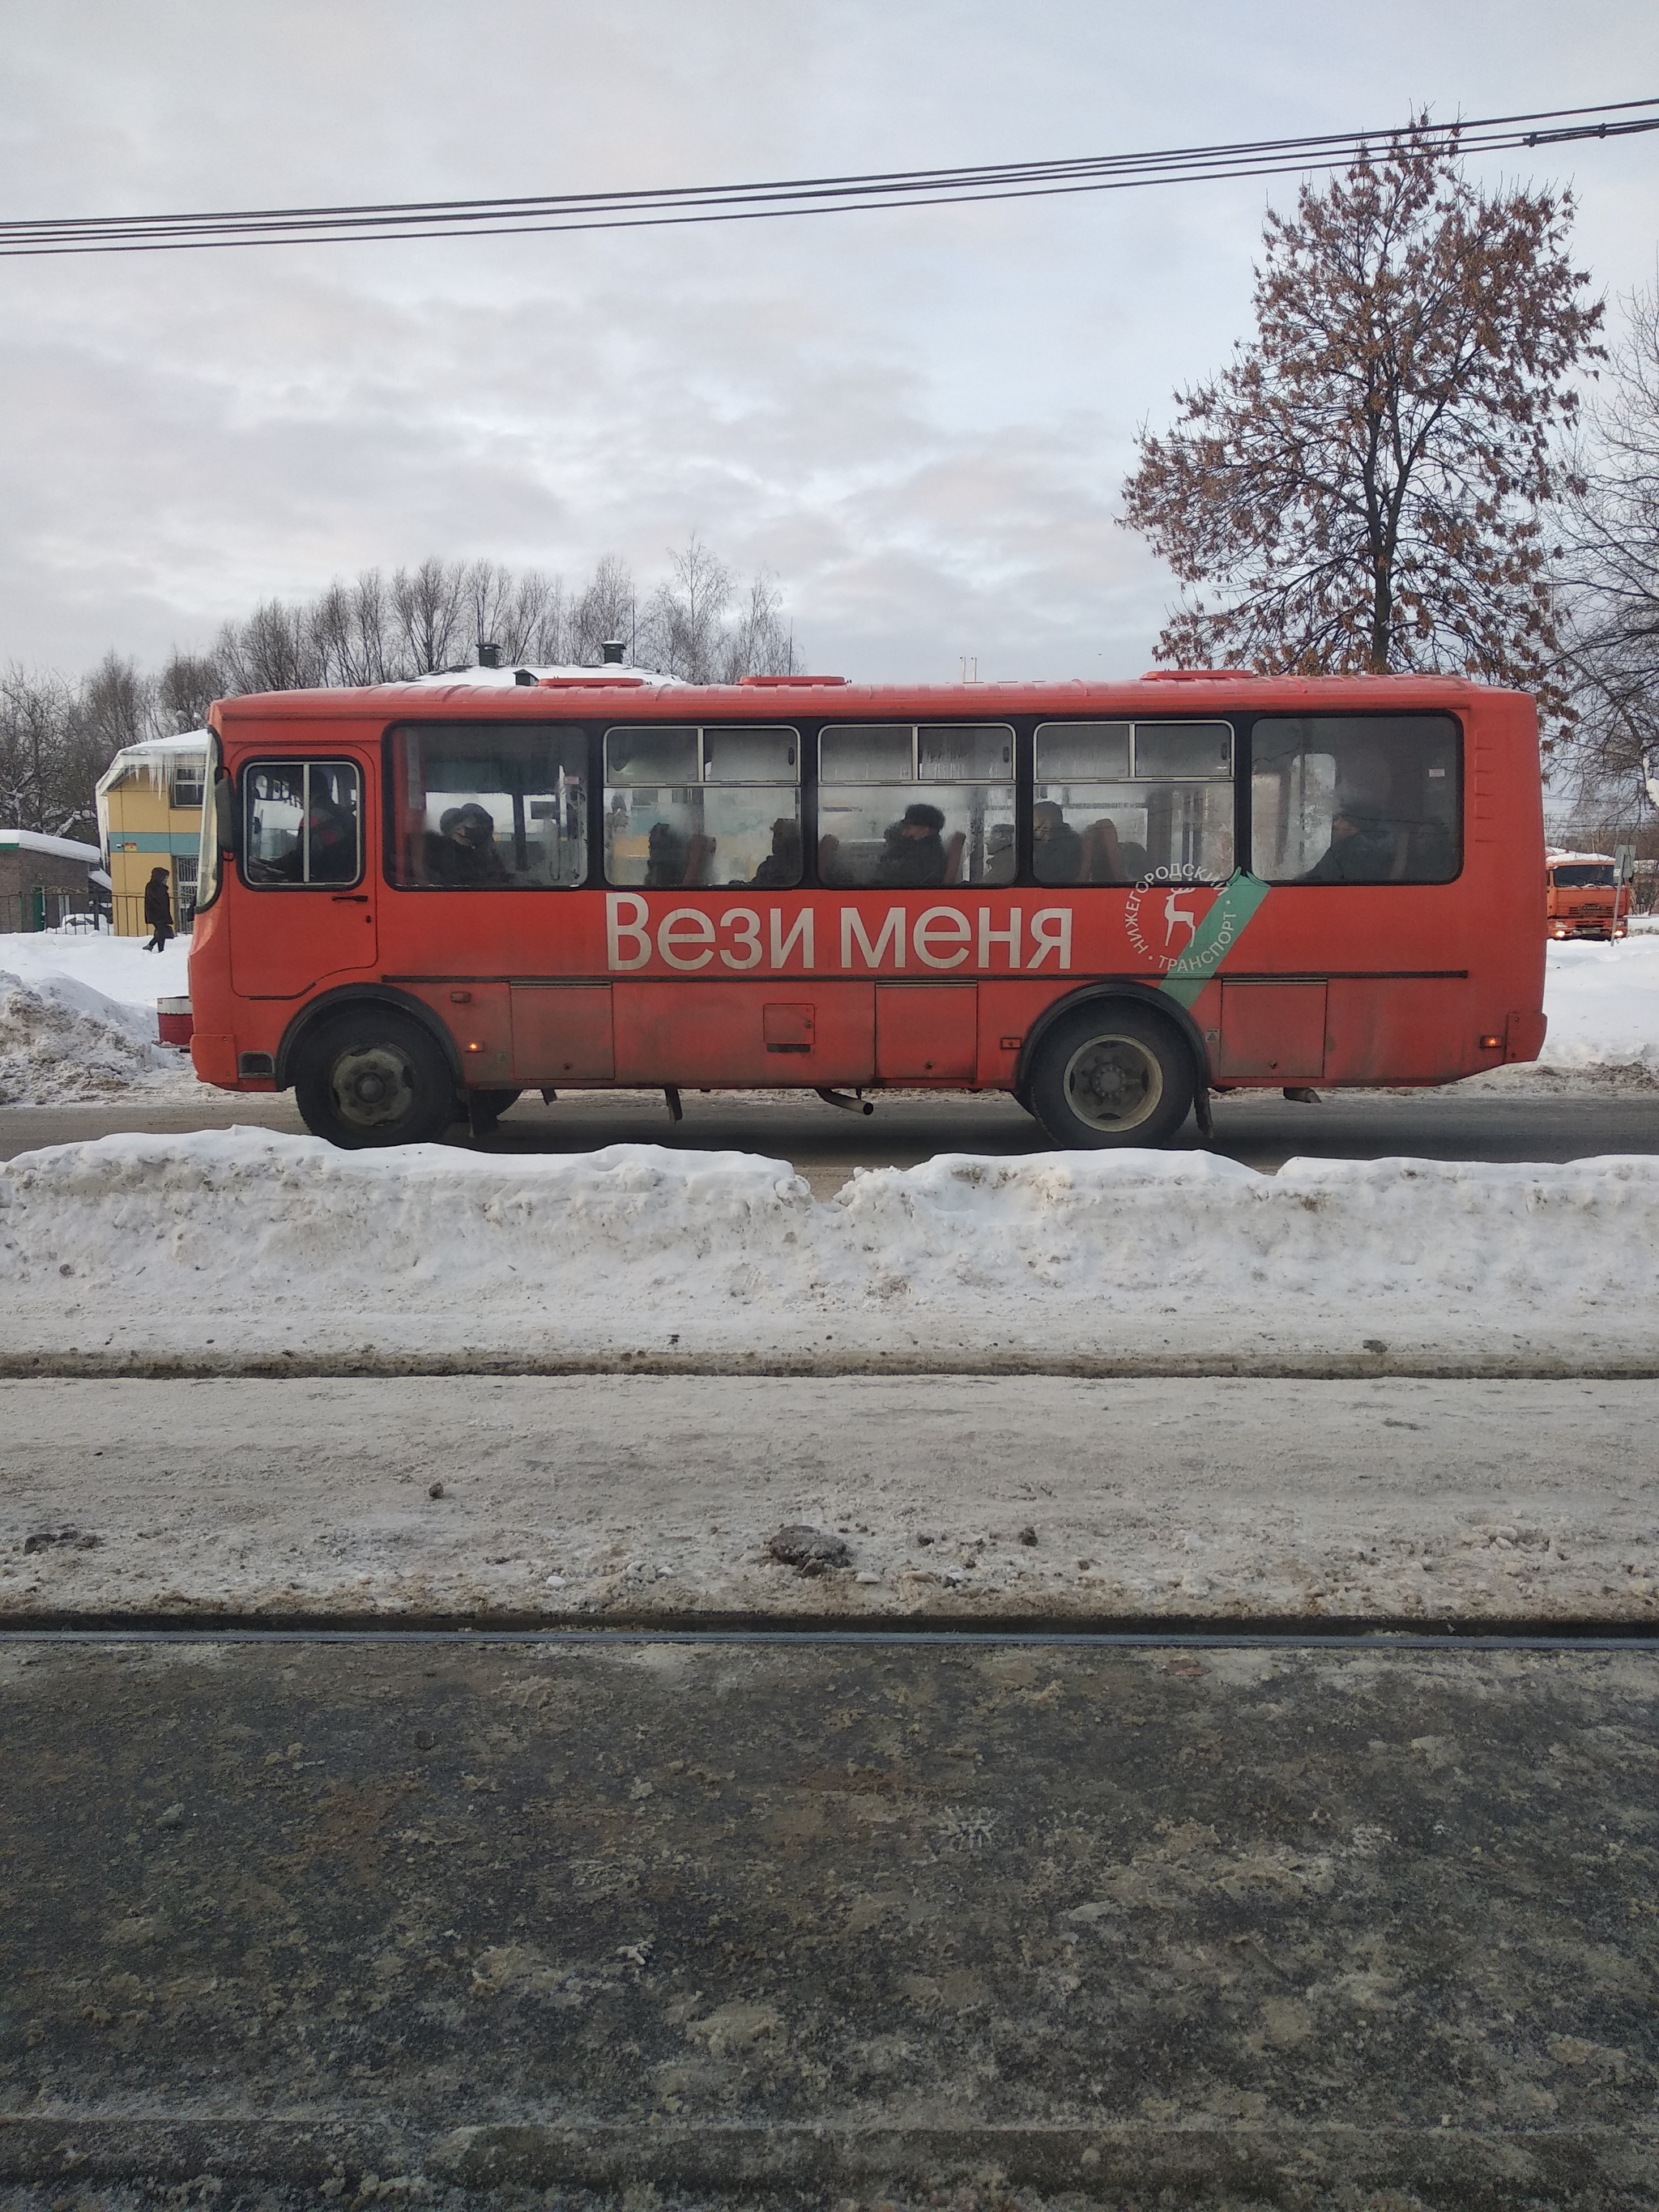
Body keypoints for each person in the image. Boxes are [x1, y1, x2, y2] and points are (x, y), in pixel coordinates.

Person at [426, 803, 506, 886]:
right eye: (473, 824)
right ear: (458, 829)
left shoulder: (471, 853)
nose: (477, 828)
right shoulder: (449, 857)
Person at [876, 801, 948, 888]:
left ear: (925, 830)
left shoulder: (924, 855)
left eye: (909, 827)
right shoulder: (919, 847)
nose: (904, 832)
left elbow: (892, 877)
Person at [1031, 799, 1084, 884]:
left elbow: (1048, 875)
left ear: (1046, 824)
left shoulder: (1067, 843)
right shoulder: (1037, 840)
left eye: (1034, 818)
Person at [750, 817, 802, 887]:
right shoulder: (799, 862)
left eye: (779, 835)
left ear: (791, 840)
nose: (774, 840)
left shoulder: (780, 867)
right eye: (774, 835)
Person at [142, 867, 173, 951]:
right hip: (155, 914)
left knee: (160, 931)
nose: (166, 880)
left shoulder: (160, 887)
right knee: (161, 930)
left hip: (161, 914)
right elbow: (158, 896)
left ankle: (160, 949)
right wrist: (164, 888)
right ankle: (151, 945)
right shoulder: (151, 886)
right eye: (165, 877)